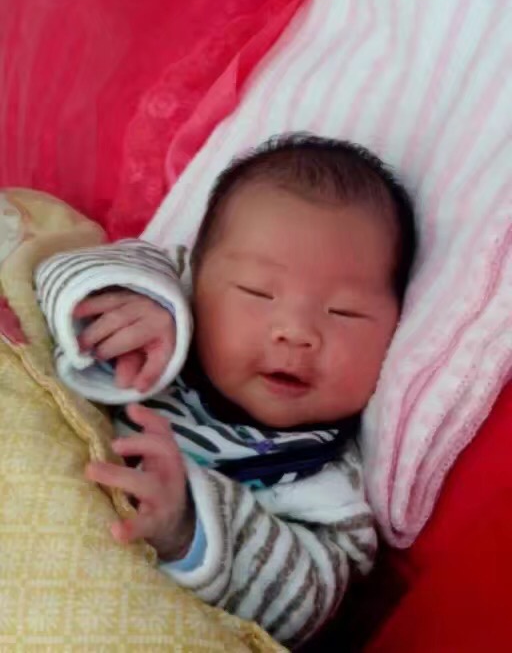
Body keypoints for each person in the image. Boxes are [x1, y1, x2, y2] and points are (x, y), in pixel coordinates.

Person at [35, 133, 416, 647]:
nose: (296, 332)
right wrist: (131, 303)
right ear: (197, 278)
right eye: (258, 292)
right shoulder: (167, 296)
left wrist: (187, 526)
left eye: (344, 312)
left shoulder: (323, 478)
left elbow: (309, 605)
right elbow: (54, 271)